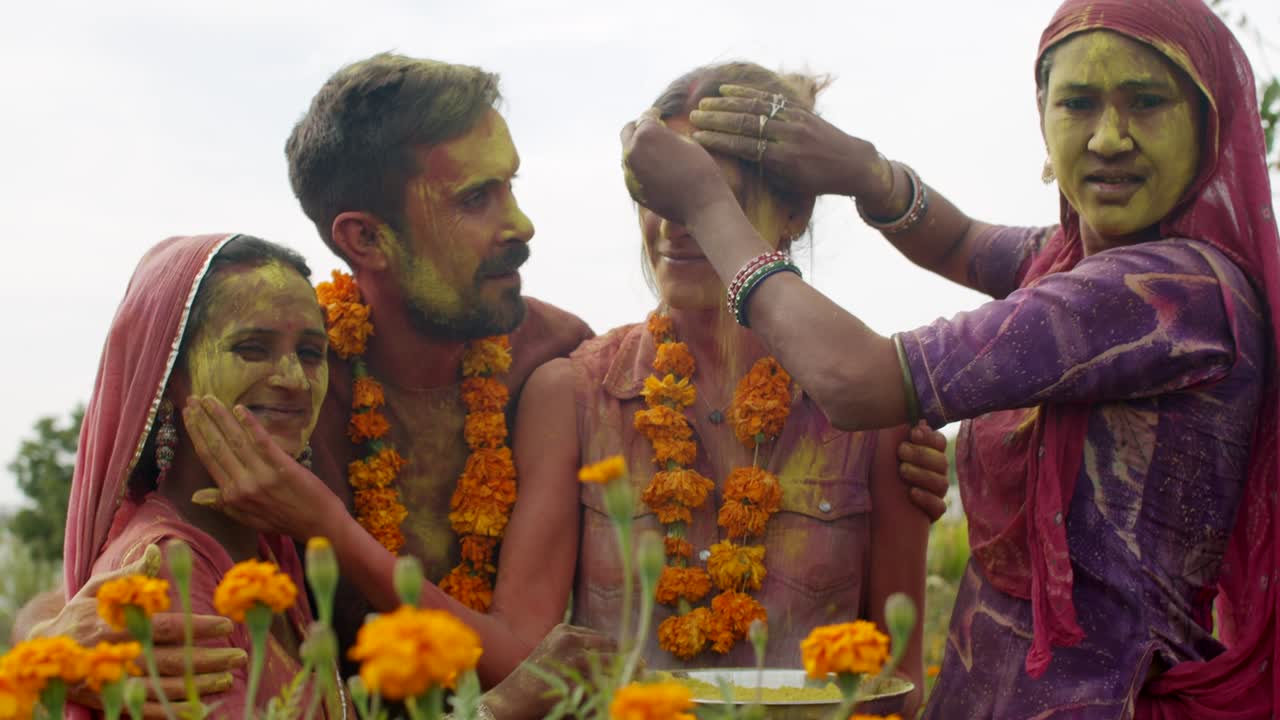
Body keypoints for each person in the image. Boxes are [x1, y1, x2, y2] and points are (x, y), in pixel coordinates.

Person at [24, 54, 951, 718]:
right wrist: (45, 653)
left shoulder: (557, 354)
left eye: (512, 186)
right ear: (365, 241)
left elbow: (897, 681)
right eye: (477, 199)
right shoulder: (300, 384)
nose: (524, 226)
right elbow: (148, 538)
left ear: (794, 206)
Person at [619, 0, 1280, 716]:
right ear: (1042, 114)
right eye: (1078, 103)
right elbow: (960, 242)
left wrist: (707, 205)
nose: (1109, 137)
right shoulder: (1068, 259)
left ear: (1208, 122)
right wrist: (866, 171)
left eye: (1147, 103)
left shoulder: (1162, 293)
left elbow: (858, 380)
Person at [498, 61, 930, 714]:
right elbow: (523, 653)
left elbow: (898, 686)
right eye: (657, 195)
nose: (674, 224)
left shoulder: (873, 405)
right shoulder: (574, 395)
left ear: (795, 210)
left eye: (709, 195)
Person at [64, 234, 340, 718]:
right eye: (252, 348)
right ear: (170, 378)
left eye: (312, 353)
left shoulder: (268, 549)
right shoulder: (163, 570)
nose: (294, 378)